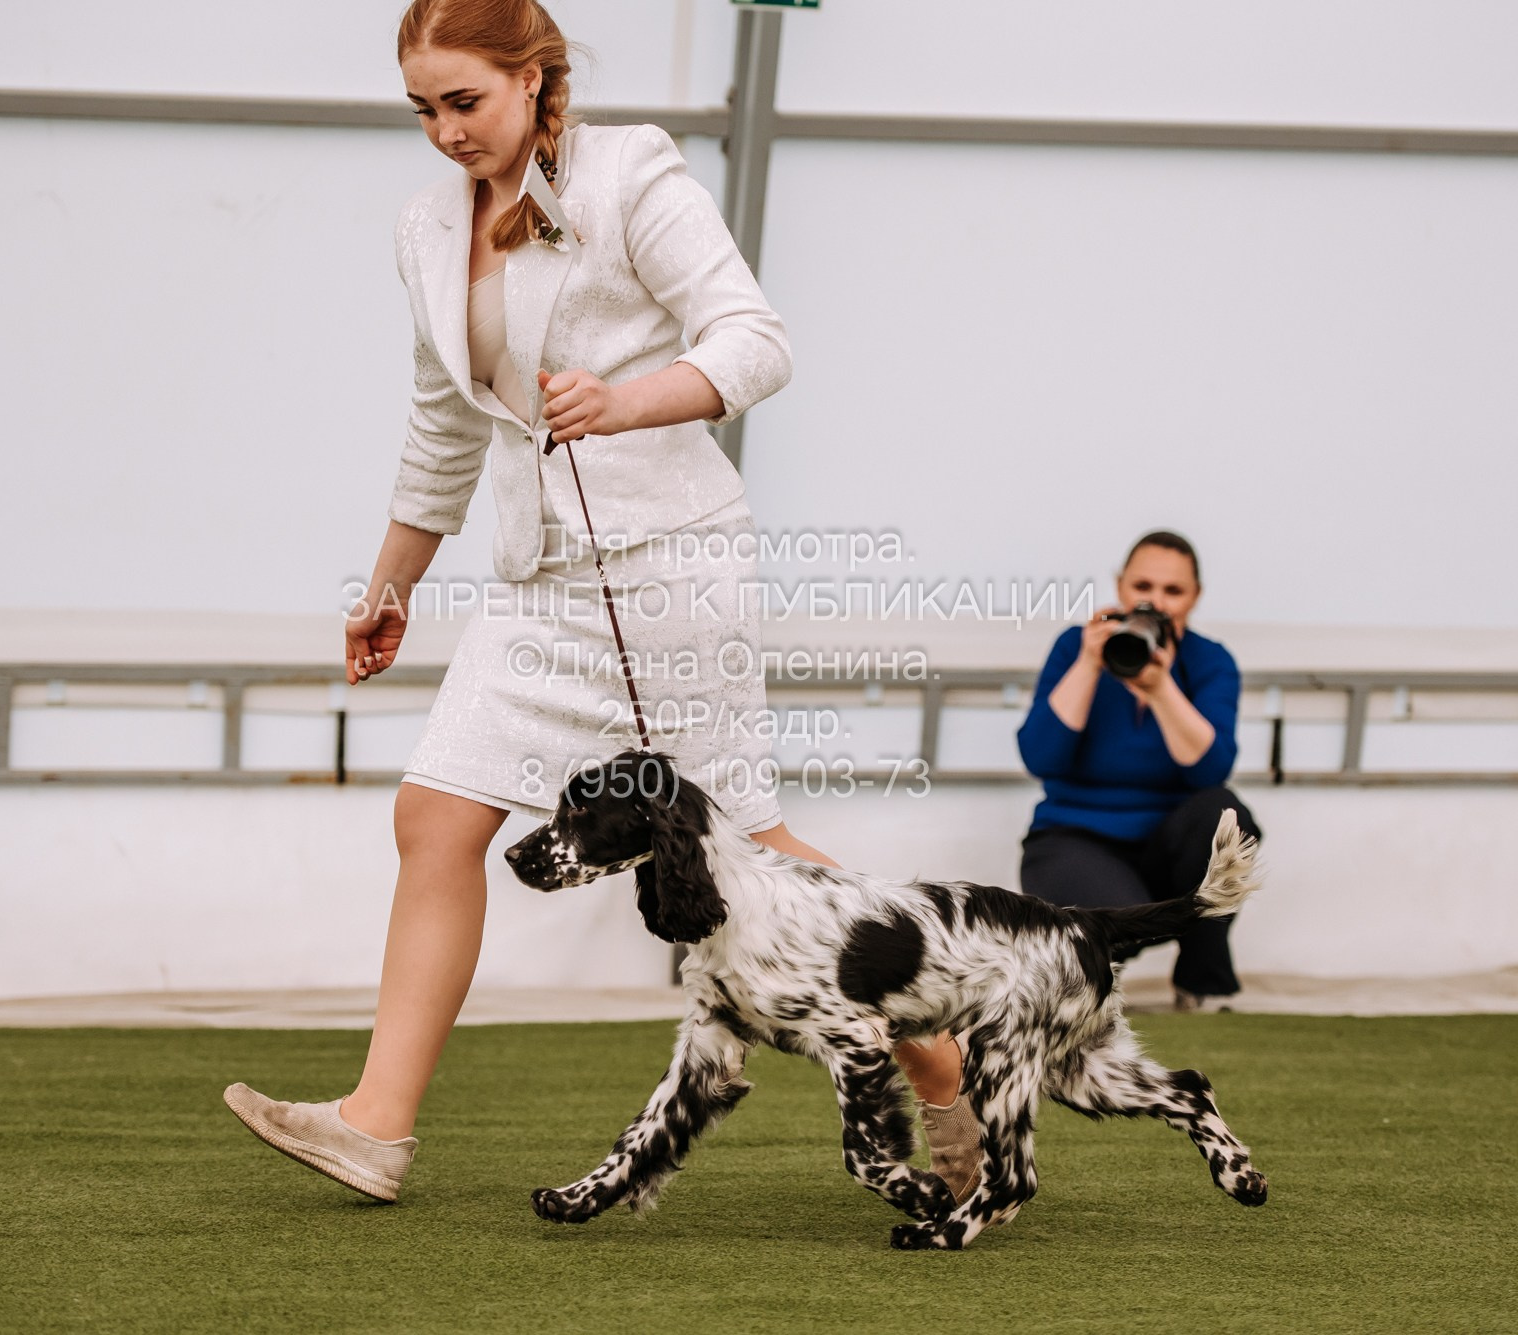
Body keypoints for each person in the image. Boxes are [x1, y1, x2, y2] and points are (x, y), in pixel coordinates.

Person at [222, 0, 973, 1205]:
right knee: (433, 816)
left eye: (463, 101)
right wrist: (389, 587)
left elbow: (755, 342)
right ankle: (374, 1125)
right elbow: (442, 425)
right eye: (421, 109)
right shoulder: (425, 227)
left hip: (669, 566)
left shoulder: (632, 171)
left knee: (746, 840)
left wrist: (625, 401)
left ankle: (937, 1059)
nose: (442, 132)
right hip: (536, 586)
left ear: (533, 78)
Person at [1015, 530, 1262, 1012]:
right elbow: (1040, 757)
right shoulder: (1074, 647)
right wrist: (1090, 663)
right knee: (1117, 921)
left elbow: (1209, 771)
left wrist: (1160, 688)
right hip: (1074, 834)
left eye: (1173, 591)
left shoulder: (1210, 661)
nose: (1156, 602)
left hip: (1169, 841)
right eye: (1143, 587)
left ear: (1195, 598)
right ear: (1121, 586)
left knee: (1227, 817)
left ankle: (1203, 981)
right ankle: (1087, 988)